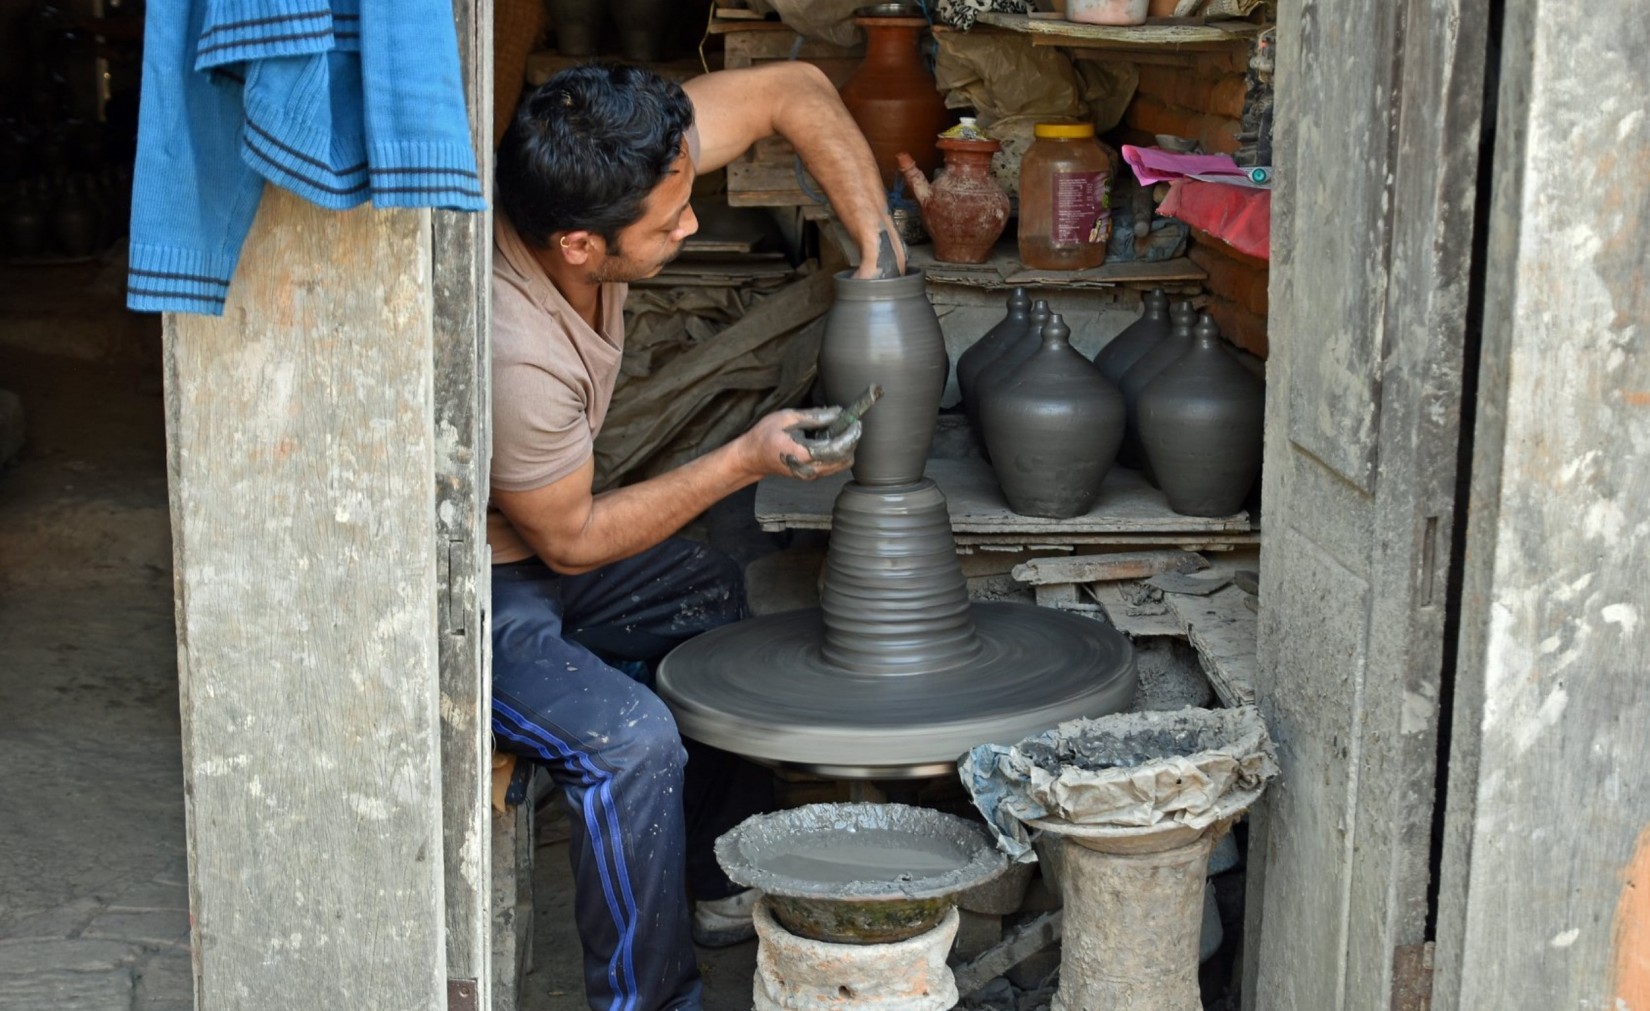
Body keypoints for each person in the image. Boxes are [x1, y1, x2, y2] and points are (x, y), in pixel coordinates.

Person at [489, 61, 903, 1011]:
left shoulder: (614, 159)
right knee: (629, 744)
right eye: (669, 221)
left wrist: (882, 262)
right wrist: (743, 459)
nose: (692, 222)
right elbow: (572, 541)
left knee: (706, 592)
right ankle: (654, 999)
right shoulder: (515, 350)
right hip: (473, 584)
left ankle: (713, 877)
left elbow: (792, 88)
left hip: (547, 545)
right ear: (581, 245)